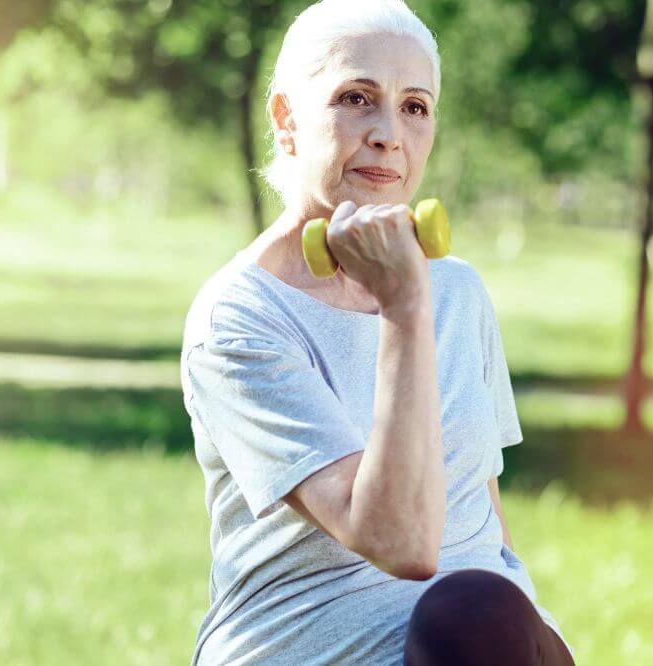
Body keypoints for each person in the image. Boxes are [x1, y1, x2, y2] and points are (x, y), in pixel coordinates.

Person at [178, 1, 576, 664]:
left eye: (414, 107)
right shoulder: (239, 318)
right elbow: (403, 546)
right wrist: (403, 309)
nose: (389, 133)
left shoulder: (458, 291)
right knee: (466, 611)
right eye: (355, 98)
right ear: (286, 120)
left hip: (479, 641)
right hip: (318, 646)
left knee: (481, 606)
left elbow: (481, 523)